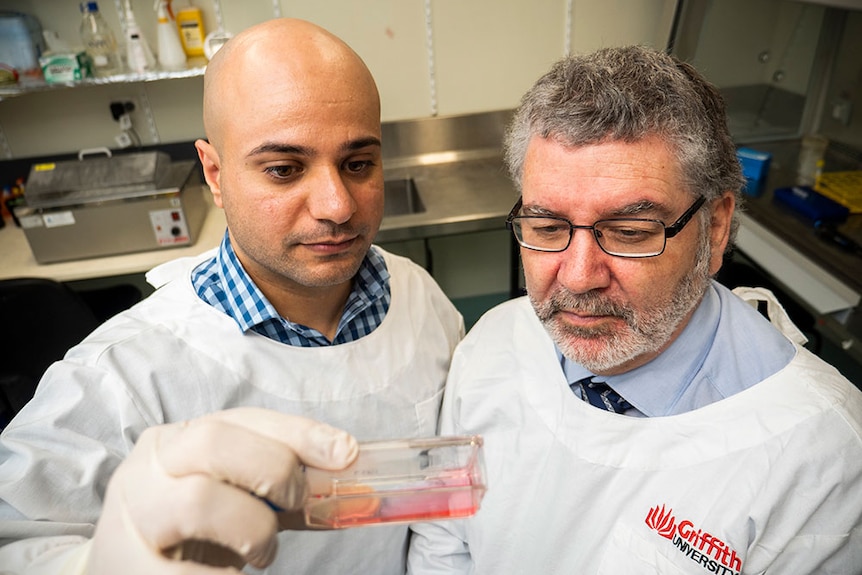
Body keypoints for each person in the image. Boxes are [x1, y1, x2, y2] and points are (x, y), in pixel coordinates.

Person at [0, 18, 464, 574]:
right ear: (215, 174)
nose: (337, 206)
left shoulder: (420, 298)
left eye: (358, 163)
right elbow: (16, 541)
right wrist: (94, 566)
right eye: (284, 170)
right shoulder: (123, 373)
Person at [407, 45, 862, 574]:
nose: (578, 276)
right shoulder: (493, 343)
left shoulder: (823, 455)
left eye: (628, 233)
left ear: (714, 229)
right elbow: (443, 538)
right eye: (547, 227)